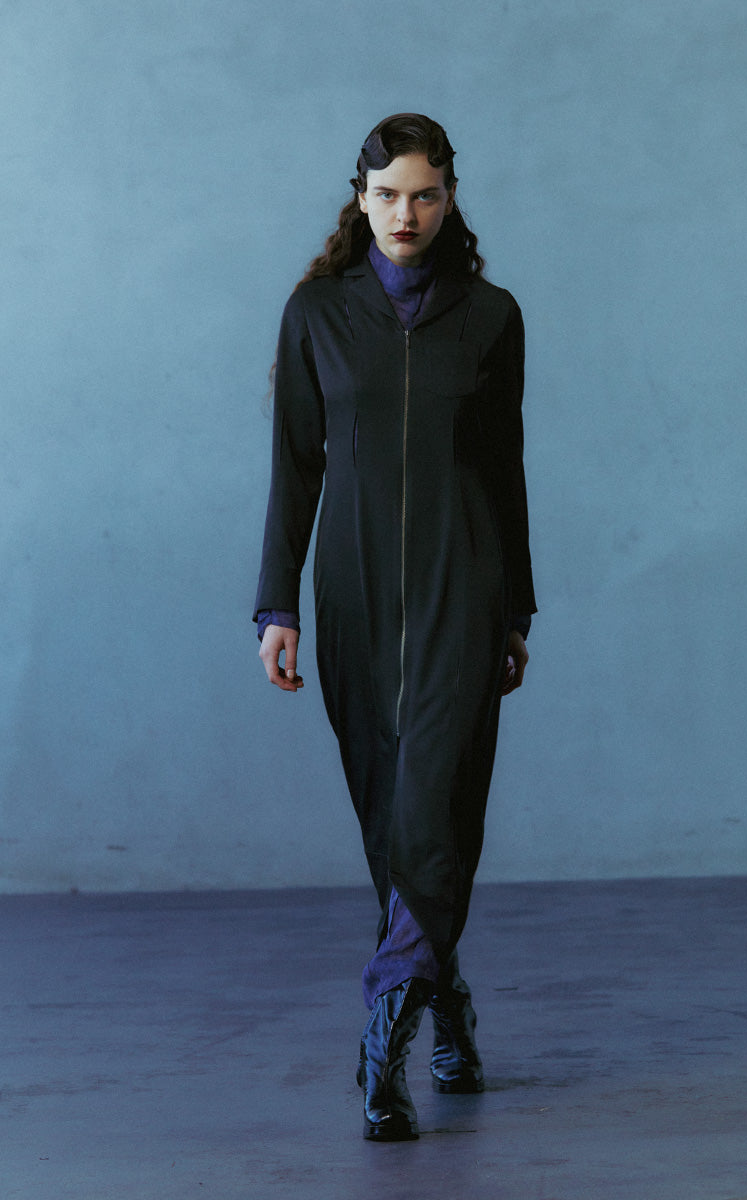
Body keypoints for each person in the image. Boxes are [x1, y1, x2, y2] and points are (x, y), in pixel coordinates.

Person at [253, 113, 535, 1141]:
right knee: (390, 813)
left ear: (449, 197)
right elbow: (295, 466)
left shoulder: (490, 317)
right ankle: (445, 1001)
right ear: (359, 199)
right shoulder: (315, 315)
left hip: (464, 581)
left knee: (435, 805)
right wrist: (276, 605)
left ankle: (386, 1032)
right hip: (354, 591)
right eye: (386, 195)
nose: (404, 213)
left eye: (423, 194)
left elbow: (503, 468)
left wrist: (516, 608)